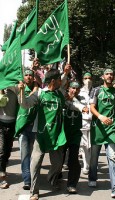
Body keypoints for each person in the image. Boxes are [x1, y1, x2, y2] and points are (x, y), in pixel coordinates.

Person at [18, 69, 66, 200]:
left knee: (57, 164)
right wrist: (21, 91)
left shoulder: (59, 94)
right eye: (59, 80)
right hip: (40, 135)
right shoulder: (39, 93)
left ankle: (51, 178)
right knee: (35, 163)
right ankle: (34, 191)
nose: (61, 82)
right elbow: (25, 104)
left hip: (56, 136)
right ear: (53, 81)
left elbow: (68, 104)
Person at [88, 69, 115, 198]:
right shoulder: (96, 90)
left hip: (112, 129)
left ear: (114, 77)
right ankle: (92, 177)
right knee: (94, 157)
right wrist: (100, 116)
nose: (109, 76)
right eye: (107, 74)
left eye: (111, 74)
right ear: (103, 77)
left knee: (113, 157)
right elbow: (91, 107)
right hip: (97, 128)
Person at [15, 68, 38, 190]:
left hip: (34, 127)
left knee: (34, 155)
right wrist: (21, 90)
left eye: (31, 75)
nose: (28, 77)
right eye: (26, 75)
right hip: (23, 127)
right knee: (24, 155)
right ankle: (27, 180)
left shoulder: (38, 91)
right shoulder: (18, 88)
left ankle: (34, 177)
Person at [63, 81, 87, 194]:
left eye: (77, 89)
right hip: (62, 134)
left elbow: (83, 107)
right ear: (68, 88)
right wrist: (68, 99)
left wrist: (73, 99)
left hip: (75, 134)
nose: (75, 91)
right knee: (59, 159)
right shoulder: (63, 98)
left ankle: (72, 184)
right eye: (73, 88)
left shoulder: (82, 98)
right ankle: (56, 176)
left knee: (73, 160)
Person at [0, 87, 18, 189]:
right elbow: (2, 102)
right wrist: (1, 90)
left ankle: (3, 168)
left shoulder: (14, 90)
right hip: (1, 124)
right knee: (1, 150)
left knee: (7, 151)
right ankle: (2, 176)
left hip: (12, 123)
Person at [78, 72, 93, 175]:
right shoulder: (79, 93)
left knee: (91, 145)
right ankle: (86, 165)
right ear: (83, 80)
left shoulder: (96, 91)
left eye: (89, 78)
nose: (88, 80)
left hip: (94, 122)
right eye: (85, 78)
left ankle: (91, 164)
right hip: (83, 121)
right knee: (83, 145)